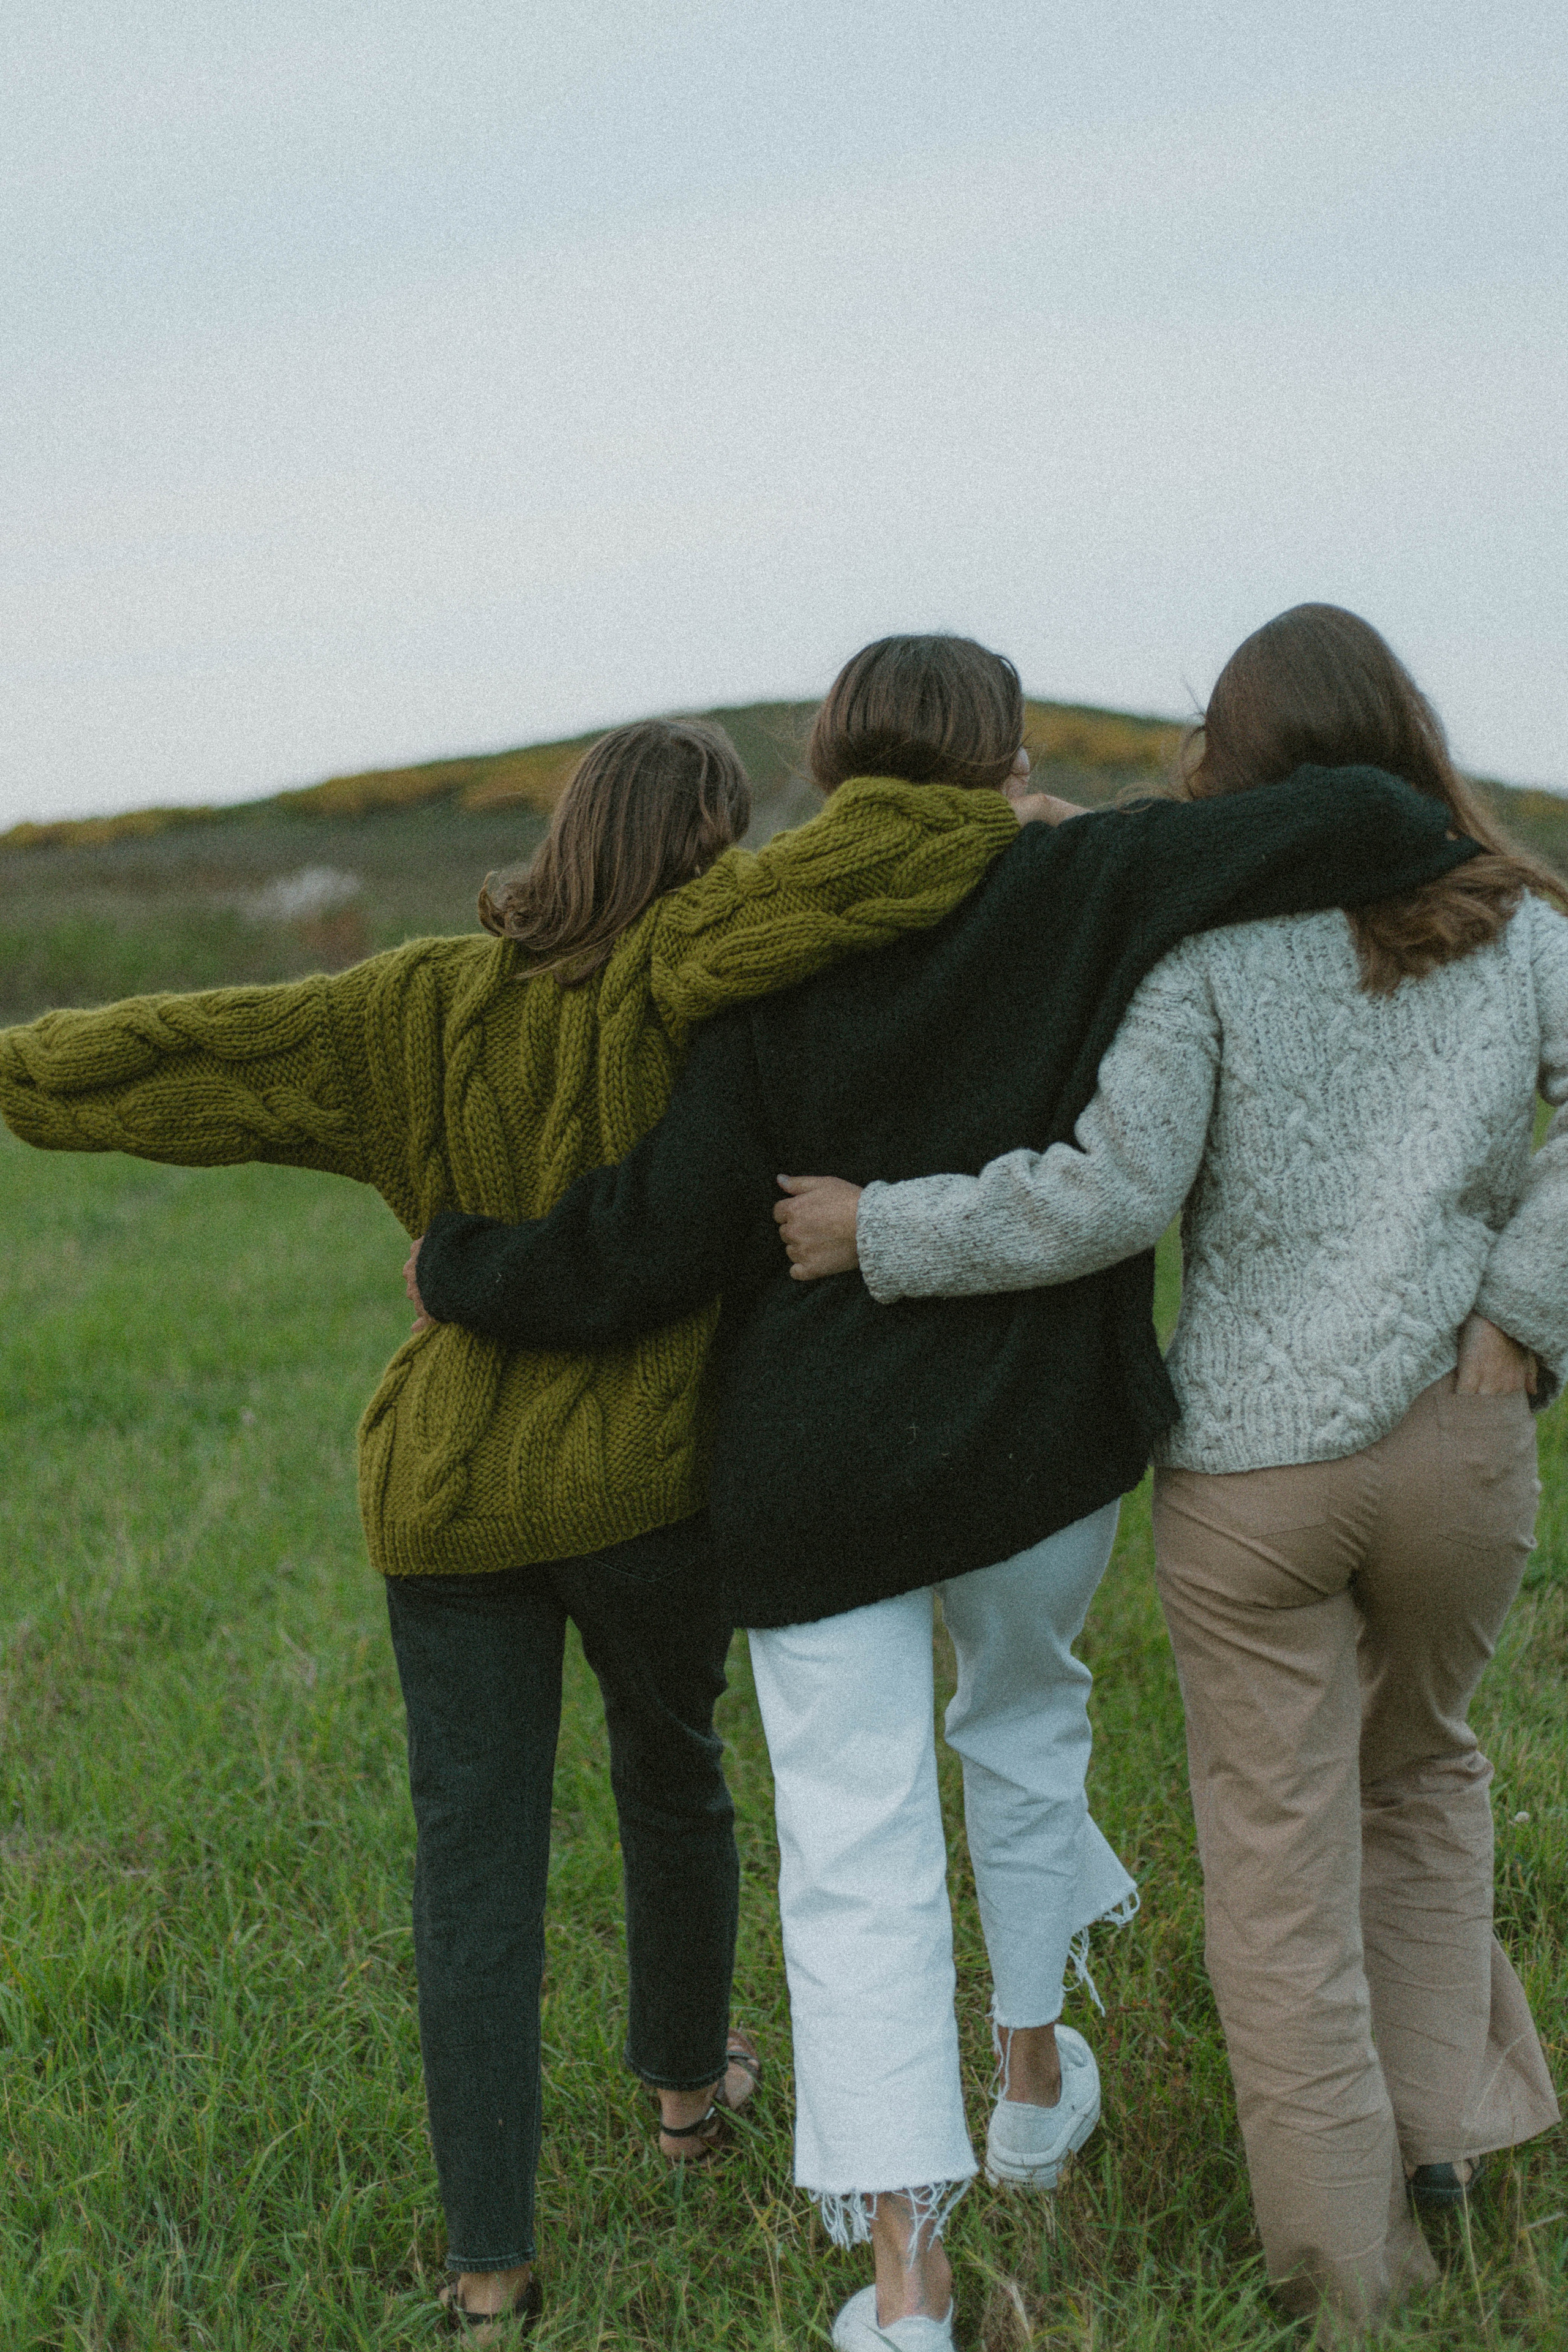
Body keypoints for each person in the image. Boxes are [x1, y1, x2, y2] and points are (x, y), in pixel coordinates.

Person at [407, 635, 1479, 2351]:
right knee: (1027, 1726)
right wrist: (1066, 819)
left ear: (832, 763)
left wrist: (463, 1267)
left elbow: (660, 1237)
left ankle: (907, 2287)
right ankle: (1035, 2080)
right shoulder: (1077, 874)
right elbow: (1370, 807)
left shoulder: (755, 935)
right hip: (1035, 1452)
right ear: (1001, 755)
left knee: (854, 1851)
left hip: (813, 1480)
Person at [0, 710, 1025, 2341]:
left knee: (470, 1869)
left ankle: (490, 2270)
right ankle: (691, 2099)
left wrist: (22, 1073)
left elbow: (206, 1055)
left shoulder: (411, 1002)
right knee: (672, 1771)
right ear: (709, 845)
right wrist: (1005, 807)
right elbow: (881, 871)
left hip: (447, 1494)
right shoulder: (711, 970)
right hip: (647, 1488)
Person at [771, 606, 1566, 2339]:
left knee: (1280, 1866)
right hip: (1461, 1440)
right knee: (1423, 1776)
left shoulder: (1203, 951)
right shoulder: (1519, 934)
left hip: (1253, 1482)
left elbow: (1107, 1196)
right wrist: (1522, 1304)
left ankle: (1350, 2274)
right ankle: (1447, 2149)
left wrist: (877, 1229)